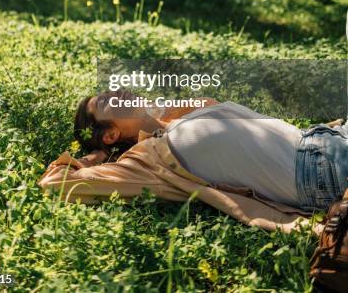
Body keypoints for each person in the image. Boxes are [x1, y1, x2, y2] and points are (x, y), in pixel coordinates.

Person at [38, 91, 348, 233]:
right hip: (322, 172)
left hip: (327, 140)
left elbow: (210, 104)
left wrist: (157, 114)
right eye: (108, 101)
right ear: (110, 135)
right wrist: (97, 155)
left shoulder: (170, 123)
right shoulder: (146, 161)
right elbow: (55, 183)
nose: (117, 92)